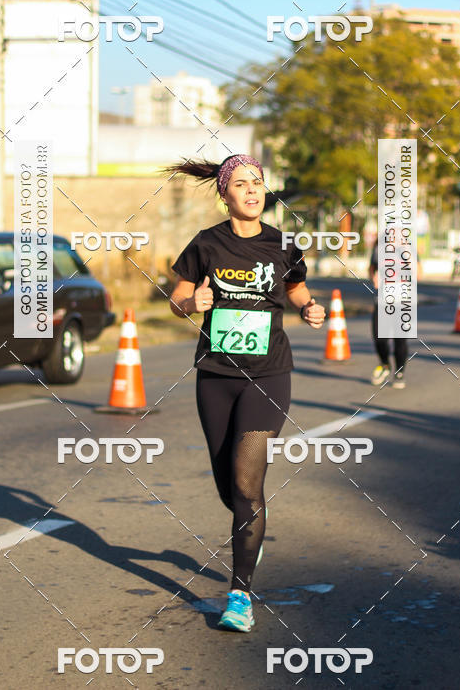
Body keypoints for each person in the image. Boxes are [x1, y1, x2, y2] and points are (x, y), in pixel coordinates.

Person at [168, 154, 326, 632]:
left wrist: (309, 307)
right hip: (216, 374)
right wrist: (189, 303)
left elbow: (296, 287)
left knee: (246, 483)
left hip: (269, 374)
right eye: (241, 184)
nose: (252, 190)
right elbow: (177, 298)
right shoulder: (206, 244)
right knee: (227, 486)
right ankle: (244, 522)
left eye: (257, 182)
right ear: (225, 194)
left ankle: (240, 594)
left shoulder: (284, 244)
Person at [369, 240, 408, 389]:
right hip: (382, 300)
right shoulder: (378, 248)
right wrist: (373, 277)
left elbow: (418, 272)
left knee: (400, 340)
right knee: (378, 336)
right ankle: (385, 364)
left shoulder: (408, 248)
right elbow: (372, 268)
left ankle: (399, 371)